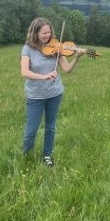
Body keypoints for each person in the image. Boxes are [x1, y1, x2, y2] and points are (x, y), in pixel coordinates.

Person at [20, 17, 86, 167]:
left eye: (49, 33)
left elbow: (67, 70)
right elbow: (24, 72)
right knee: (32, 130)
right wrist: (43, 76)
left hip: (54, 93)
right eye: (43, 33)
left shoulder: (56, 47)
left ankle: (47, 155)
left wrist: (77, 57)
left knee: (51, 126)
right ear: (35, 33)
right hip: (35, 95)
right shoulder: (27, 49)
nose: (47, 36)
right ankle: (26, 156)